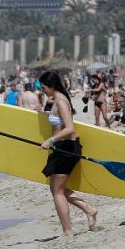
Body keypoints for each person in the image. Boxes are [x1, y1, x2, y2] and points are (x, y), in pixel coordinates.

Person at [37, 70, 98, 237]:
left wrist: (50, 140)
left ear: (51, 86)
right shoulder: (56, 100)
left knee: (57, 191)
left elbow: (70, 128)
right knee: (58, 189)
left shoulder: (62, 102)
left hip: (66, 147)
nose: (43, 90)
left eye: (43, 87)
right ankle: (89, 210)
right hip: (62, 147)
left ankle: (68, 231)